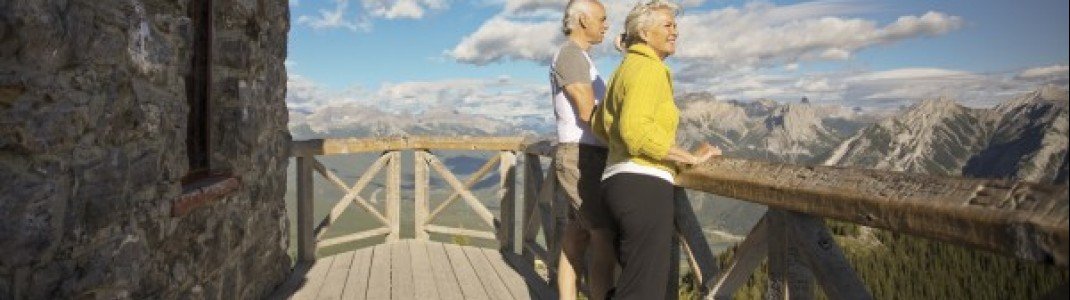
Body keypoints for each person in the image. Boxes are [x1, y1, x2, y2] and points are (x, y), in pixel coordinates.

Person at [591, 1, 720, 298]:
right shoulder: (649, 68)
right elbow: (635, 132)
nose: (675, 31)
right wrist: (689, 157)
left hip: (617, 183)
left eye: (675, 25)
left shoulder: (624, 69)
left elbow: (600, 125)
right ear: (644, 33)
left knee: (631, 285)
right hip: (643, 187)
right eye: (667, 25)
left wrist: (623, 147)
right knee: (643, 291)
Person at [549, 1, 616, 299]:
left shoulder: (580, 58)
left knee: (576, 235)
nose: (606, 25)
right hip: (581, 157)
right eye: (602, 19)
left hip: (583, 154)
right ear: (582, 20)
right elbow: (588, 113)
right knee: (603, 236)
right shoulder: (571, 56)